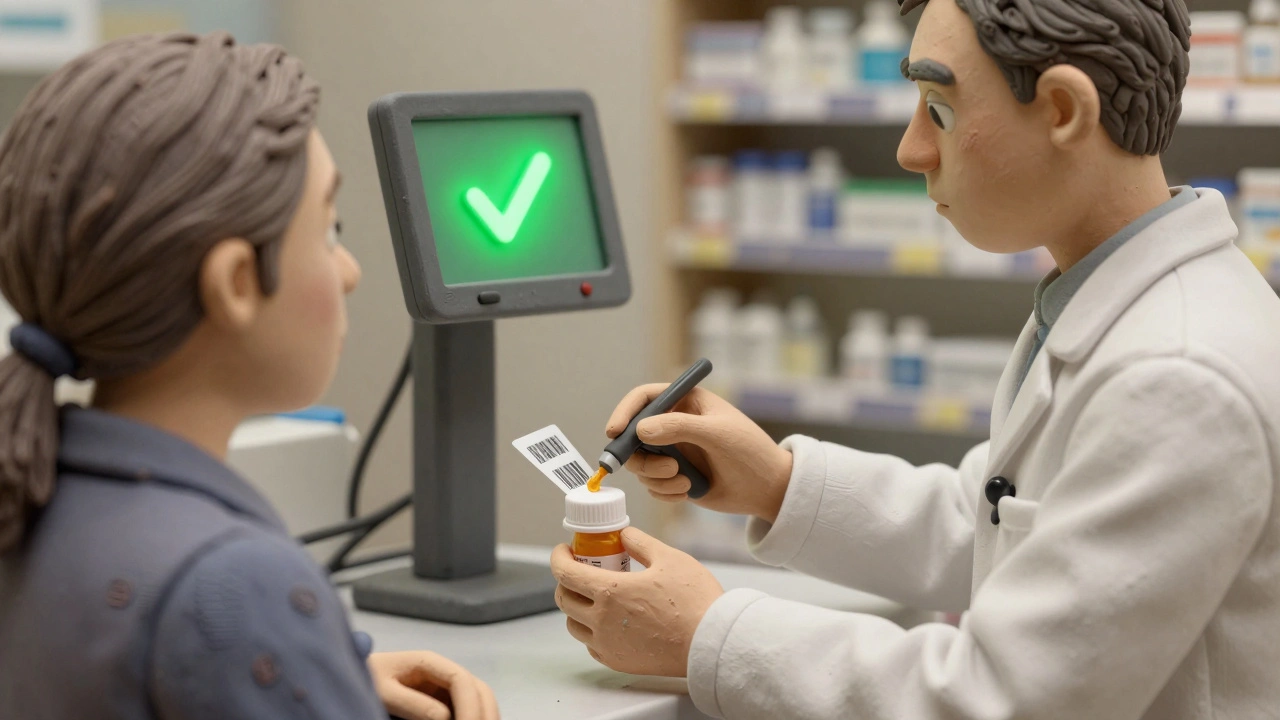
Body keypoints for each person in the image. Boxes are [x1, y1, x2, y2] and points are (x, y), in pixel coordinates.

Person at [551, 0, 1280, 717]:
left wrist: (709, 635)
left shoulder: (1180, 375)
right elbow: (995, 521)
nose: (911, 149)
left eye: (939, 108)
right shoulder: (1107, 299)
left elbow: (1007, 700)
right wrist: (776, 483)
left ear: (1062, 110)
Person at [0, 33, 498, 720]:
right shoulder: (233, 586)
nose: (349, 270)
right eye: (329, 231)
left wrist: (315, 668)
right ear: (236, 283)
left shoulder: (29, 495)